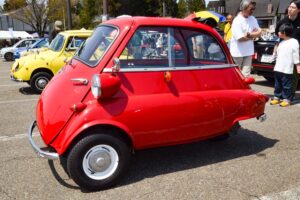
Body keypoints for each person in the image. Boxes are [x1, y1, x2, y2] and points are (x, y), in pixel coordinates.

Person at [275, 0, 300, 100]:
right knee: (282, 73)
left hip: (297, 49)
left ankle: (290, 94)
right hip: (285, 49)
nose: (290, 9)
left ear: (298, 10)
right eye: (290, 7)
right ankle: (280, 94)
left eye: (293, 7)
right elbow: (277, 34)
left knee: (294, 74)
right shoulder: (283, 21)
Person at [270, 23, 300, 107]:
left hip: (287, 68)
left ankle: (287, 99)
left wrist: (298, 65)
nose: (278, 33)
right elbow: (278, 53)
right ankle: (277, 97)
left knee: (287, 85)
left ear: (286, 32)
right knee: (277, 84)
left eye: (280, 31)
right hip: (278, 67)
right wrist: (273, 57)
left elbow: (296, 54)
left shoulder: (294, 42)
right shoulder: (281, 42)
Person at [230, 0, 261, 77]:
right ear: (244, 8)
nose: (252, 11)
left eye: (253, 9)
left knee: (246, 76)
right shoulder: (237, 20)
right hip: (237, 54)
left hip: (248, 52)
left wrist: (249, 34)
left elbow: (260, 32)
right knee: (236, 76)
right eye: (251, 9)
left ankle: (243, 90)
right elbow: (240, 38)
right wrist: (253, 35)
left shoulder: (253, 18)